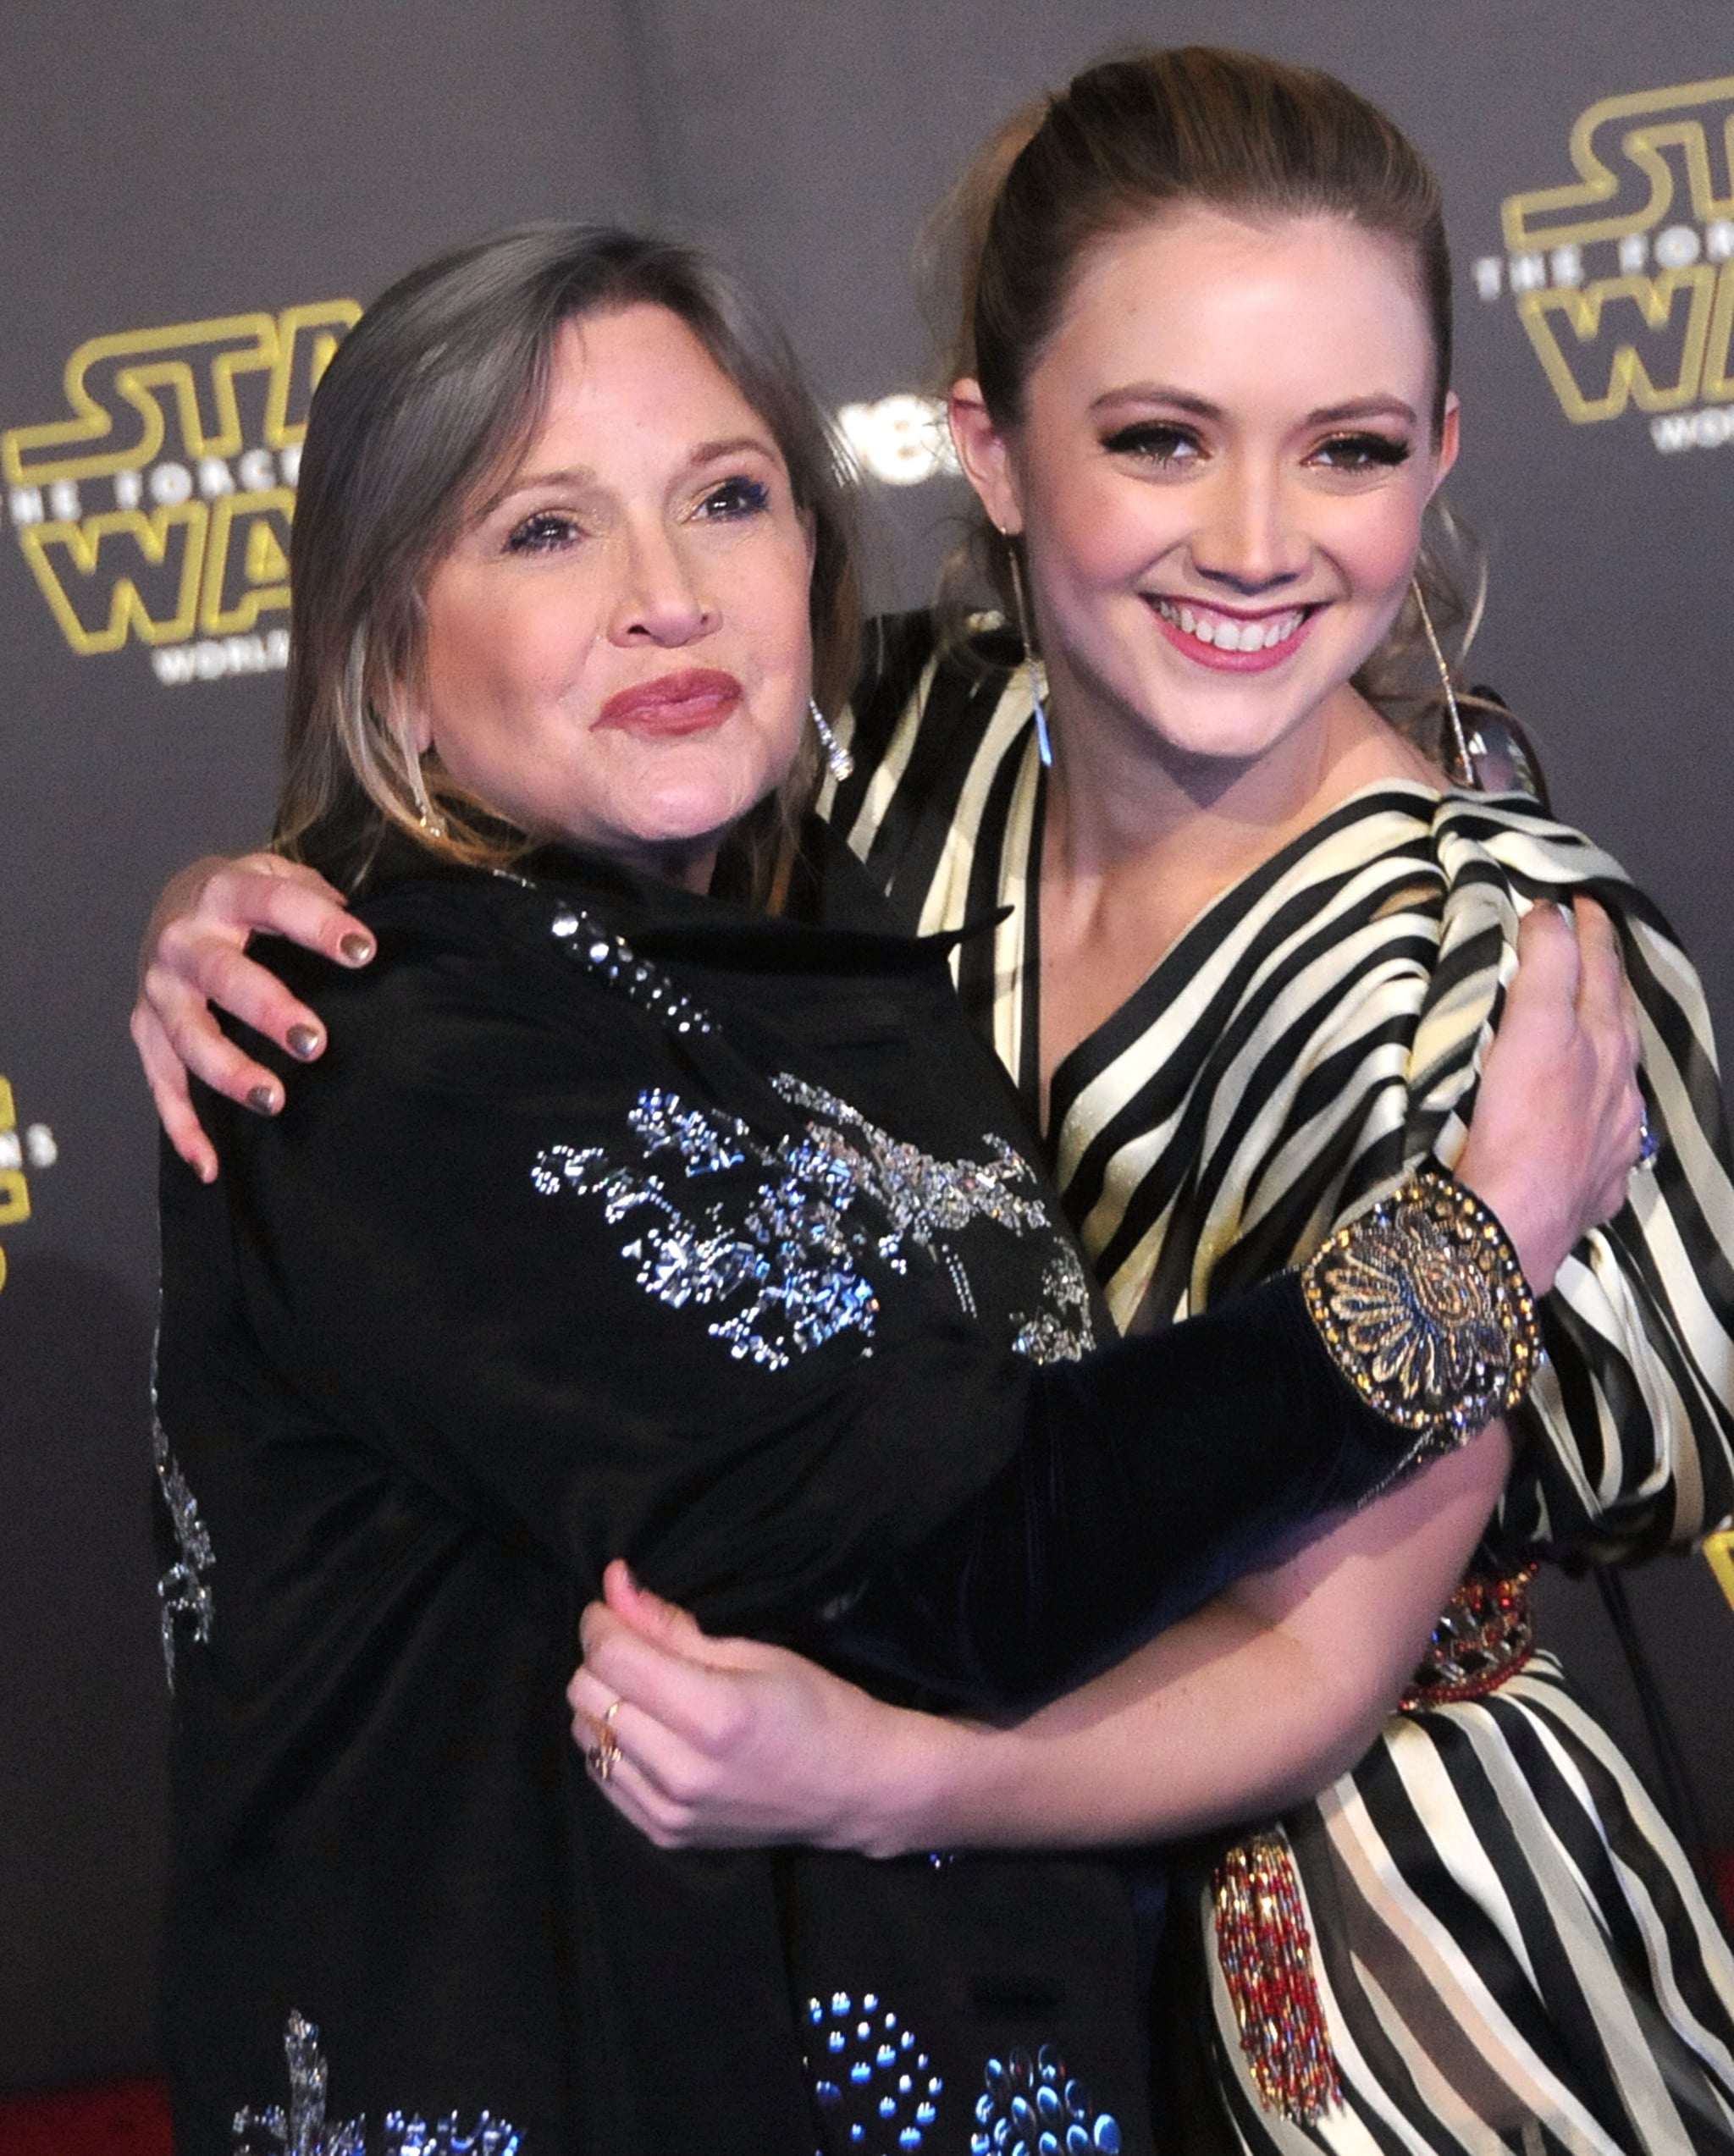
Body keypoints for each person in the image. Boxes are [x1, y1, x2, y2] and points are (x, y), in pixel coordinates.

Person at [130, 47, 1734, 2156]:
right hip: (898, 1949)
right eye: (1158, 437)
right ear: (984, 446)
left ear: (1438, 454)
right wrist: (241, 883)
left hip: (1376, 1955)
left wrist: (891, 1773)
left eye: (1343, 446)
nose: (1251, 540)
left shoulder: (1500, 967)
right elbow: (559, 773)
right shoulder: (891, 753)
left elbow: (1316, 1657)